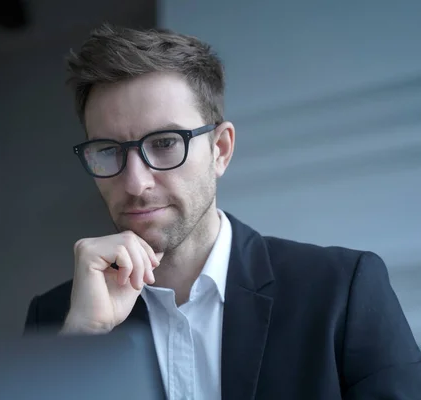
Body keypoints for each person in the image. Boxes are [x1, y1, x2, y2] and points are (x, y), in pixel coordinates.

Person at [23, 24, 421, 399]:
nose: (135, 182)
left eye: (164, 143)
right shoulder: (59, 319)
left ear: (220, 150)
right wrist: (80, 344)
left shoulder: (341, 292)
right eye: (109, 151)